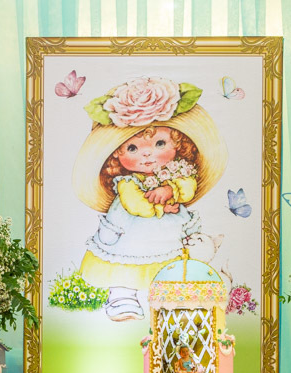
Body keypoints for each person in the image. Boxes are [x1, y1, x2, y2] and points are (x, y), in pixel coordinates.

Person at [72, 77, 227, 321]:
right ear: (116, 155)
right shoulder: (127, 182)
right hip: (132, 235)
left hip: (167, 236)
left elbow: (189, 188)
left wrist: (171, 190)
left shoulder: (176, 172)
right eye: (132, 148)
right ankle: (123, 298)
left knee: (171, 267)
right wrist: (160, 208)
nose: (147, 153)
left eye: (160, 143)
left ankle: (171, 300)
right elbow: (135, 206)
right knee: (124, 268)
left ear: (179, 145)